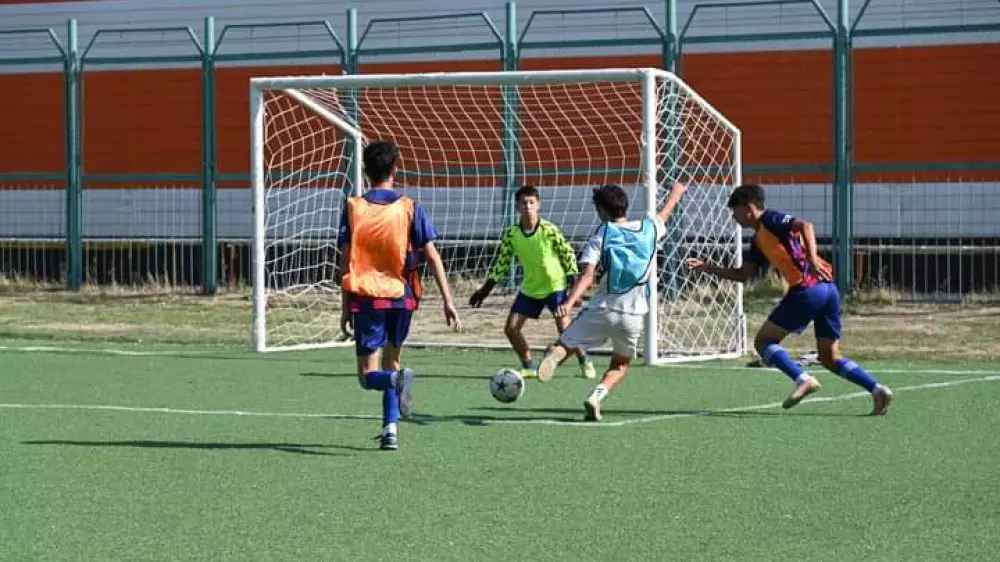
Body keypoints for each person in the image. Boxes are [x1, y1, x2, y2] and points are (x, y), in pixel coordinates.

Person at [686, 183, 893, 415]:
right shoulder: (758, 240)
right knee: (829, 357)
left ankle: (803, 379)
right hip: (828, 290)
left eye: (735, 211)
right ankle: (877, 389)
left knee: (763, 342)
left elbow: (805, 226)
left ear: (749, 208)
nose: (734, 217)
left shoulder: (770, 219)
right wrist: (709, 268)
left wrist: (812, 259)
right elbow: (744, 275)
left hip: (807, 289)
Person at [337, 140, 461, 450]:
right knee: (392, 362)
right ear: (395, 169)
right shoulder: (410, 207)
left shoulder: (354, 208)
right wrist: (448, 300)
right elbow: (432, 255)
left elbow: (346, 260)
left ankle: (395, 387)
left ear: (365, 172)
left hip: (367, 298)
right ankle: (390, 430)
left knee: (368, 376)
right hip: (402, 298)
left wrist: (344, 306)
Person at [536, 182, 687, 422]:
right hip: (633, 316)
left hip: (603, 309)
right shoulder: (649, 228)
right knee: (620, 364)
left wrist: (570, 301)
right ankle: (597, 396)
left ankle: (556, 356)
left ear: (602, 211)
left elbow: (587, 276)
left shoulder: (602, 233)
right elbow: (665, 212)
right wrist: (676, 193)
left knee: (565, 343)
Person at [469, 185, 596, 379]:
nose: (527, 207)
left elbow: (568, 254)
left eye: (531, 202)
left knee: (566, 329)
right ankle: (529, 365)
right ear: (517, 207)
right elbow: (502, 263)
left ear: (538, 205)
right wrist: (484, 290)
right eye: (523, 203)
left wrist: (573, 285)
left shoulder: (549, 230)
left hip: (555, 286)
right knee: (511, 328)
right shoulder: (512, 234)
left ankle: (584, 360)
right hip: (530, 288)